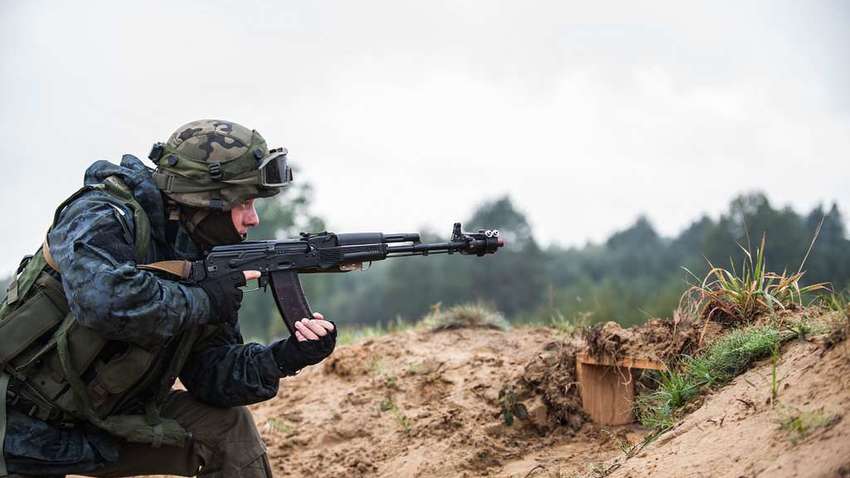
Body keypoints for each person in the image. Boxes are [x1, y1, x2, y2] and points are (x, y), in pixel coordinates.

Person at [0, 119, 337, 477]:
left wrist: (282, 358)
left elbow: (209, 375)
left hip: (107, 420)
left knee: (228, 429)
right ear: (205, 197)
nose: (253, 219)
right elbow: (103, 302)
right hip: (16, 426)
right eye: (245, 203)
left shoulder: (202, 253)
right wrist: (203, 301)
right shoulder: (102, 214)